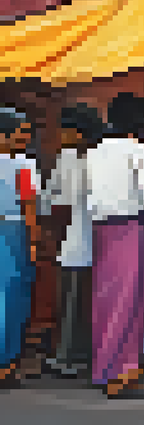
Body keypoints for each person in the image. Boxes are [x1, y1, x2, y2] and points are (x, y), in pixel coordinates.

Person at [83, 93, 144, 397]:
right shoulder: (138, 150)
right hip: (132, 226)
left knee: (105, 297)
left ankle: (102, 367)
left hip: (101, 228)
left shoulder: (94, 151)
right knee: (132, 298)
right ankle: (122, 369)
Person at [41, 103, 101, 379]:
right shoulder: (68, 156)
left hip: (87, 238)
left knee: (79, 301)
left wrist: (45, 202)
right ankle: (70, 355)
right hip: (76, 240)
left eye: (66, 130)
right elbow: (54, 193)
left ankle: (73, 356)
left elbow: (59, 197)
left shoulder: (92, 159)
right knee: (72, 300)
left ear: (80, 133)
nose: (61, 134)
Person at [0, 108, 40, 386]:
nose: (25, 138)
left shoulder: (24, 163)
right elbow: (29, 206)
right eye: (21, 132)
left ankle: (8, 361)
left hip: (13, 231)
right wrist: (34, 241)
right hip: (14, 232)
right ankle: (8, 361)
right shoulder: (24, 165)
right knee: (13, 296)